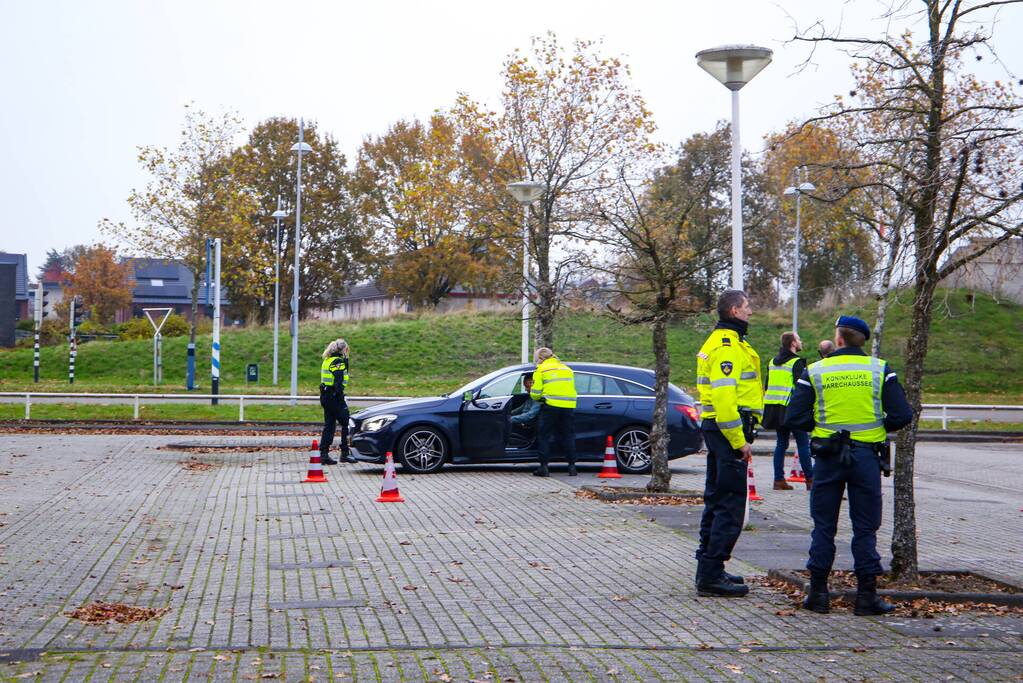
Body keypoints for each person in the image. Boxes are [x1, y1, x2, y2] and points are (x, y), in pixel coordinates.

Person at [784, 316, 913, 616]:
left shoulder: (814, 370)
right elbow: (902, 414)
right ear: (861, 341)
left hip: (828, 457)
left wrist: (820, 425)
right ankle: (866, 597)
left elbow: (794, 417)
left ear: (839, 340)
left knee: (824, 526)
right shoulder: (880, 369)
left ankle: (818, 595)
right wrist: (877, 427)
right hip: (867, 457)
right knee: (865, 528)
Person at [694, 289, 763, 598]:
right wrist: (739, 441)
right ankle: (711, 572)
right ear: (735, 310)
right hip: (727, 432)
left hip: (718, 430)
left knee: (717, 499)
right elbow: (725, 400)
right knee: (730, 504)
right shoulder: (727, 348)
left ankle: (709, 569)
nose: (751, 311)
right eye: (747, 307)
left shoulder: (727, 343)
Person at [762, 331, 812, 490]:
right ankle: (811, 481)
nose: (800, 341)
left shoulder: (772, 362)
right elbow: (801, 389)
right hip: (792, 409)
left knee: (781, 444)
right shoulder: (796, 362)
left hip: (775, 409)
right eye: (798, 339)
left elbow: (767, 386)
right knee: (803, 443)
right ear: (793, 344)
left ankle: (778, 480)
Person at [530, 347, 577, 477]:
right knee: (568, 435)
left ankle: (544, 467)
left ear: (540, 358)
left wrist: (539, 398)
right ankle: (572, 467)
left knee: (544, 435)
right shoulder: (567, 369)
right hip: (568, 406)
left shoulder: (540, 370)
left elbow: (535, 394)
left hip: (550, 406)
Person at [319, 338, 352, 466]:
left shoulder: (327, 360)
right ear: (343, 350)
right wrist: (340, 395)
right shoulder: (338, 362)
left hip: (326, 396)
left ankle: (323, 454)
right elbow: (339, 381)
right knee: (347, 422)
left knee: (329, 425)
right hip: (335, 398)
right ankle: (345, 453)